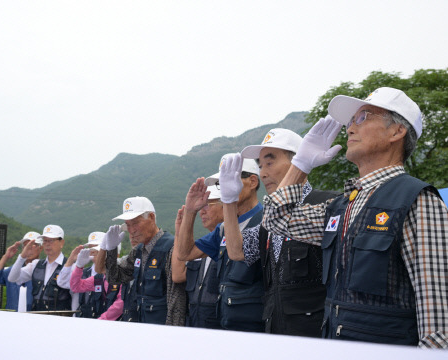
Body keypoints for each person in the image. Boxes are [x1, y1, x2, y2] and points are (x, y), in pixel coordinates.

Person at [264, 87, 448, 348]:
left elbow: (439, 324)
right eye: (350, 121)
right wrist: (301, 165)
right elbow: (275, 218)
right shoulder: (341, 206)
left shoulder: (418, 201)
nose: (350, 128)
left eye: (363, 117)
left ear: (397, 131)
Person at [219, 129, 338, 336]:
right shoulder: (269, 220)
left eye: (270, 162)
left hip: (315, 335)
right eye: (260, 166)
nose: (263, 173)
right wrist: (229, 202)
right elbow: (237, 252)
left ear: (297, 162)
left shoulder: (329, 205)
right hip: (275, 331)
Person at [175, 155, 264, 332]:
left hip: (255, 327)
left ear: (252, 181)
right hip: (225, 323)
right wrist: (191, 211)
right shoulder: (223, 229)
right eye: (221, 183)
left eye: (230, 179)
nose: (224, 187)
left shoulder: (267, 221)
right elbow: (185, 253)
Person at [95, 196, 186, 325]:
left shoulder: (171, 247)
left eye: (136, 223)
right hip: (141, 327)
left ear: (152, 217)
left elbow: (176, 300)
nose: (131, 231)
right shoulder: (138, 251)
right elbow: (114, 277)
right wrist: (111, 249)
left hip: (162, 330)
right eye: (128, 225)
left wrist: (172, 333)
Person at [177, 185, 224, 329]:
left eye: (208, 205)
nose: (202, 211)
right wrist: (179, 229)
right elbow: (179, 268)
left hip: (220, 323)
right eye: (201, 206)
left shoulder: (235, 235)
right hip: (196, 321)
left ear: (226, 205)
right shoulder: (203, 244)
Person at [8, 224, 72, 311]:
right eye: (45, 241)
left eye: (51, 240)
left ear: (62, 243)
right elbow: (12, 278)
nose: (47, 244)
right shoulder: (36, 265)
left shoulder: (70, 266)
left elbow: (75, 296)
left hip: (59, 318)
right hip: (37, 317)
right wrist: (22, 257)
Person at [69, 232, 123, 320]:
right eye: (97, 254)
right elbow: (76, 287)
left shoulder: (124, 275)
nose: (98, 258)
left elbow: (120, 305)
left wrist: (101, 320)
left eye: (102, 254)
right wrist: (79, 267)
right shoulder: (100, 278)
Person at [0, 231, 42, 311]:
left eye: (33, 246)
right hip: (12, 315)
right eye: (26, 246)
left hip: (33, 315)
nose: (29, 249)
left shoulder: (43, 270)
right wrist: (6, 257)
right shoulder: (13, 270)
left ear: (41, 248)